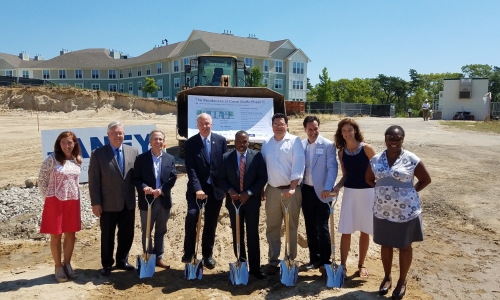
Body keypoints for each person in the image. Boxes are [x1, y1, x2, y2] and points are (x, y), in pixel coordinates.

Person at [366, 125, 431, 299]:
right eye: (390, 138)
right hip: (382, 211)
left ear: (403, 139)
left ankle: (402, 281)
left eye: (397, 138)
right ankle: (387, 277)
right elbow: (369, 178)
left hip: (406, 212)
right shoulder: (377, 159)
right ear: (385, 138)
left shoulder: (411, 159)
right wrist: (383, 190)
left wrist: (410, 192)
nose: (393, 141)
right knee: (385, 244)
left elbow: (426, 179)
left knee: (404, 246)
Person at [89, 121, 139, 276]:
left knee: (127, 234)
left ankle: (122, 260)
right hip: (108, 203)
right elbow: (94, 180)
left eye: (121, 133)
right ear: (108, 135)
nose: (118, 136)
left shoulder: (133, 151)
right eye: (115, 133)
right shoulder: (98, 153)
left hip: (128, 202)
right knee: (107, 235)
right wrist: (95, 203)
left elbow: (137, 177)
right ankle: (107, 264)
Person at [217, 130, 268, 279]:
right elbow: (220, 178)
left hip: (251, 202)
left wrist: (250, 192)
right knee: (237, 234)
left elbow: (262, 177)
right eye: (239, 141)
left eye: (244, 142)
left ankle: (255, 268)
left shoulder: (257, 156)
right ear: (234, 141)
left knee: (253, 234)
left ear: (248, 142)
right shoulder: (226, 158)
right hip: (234, 203)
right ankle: (241, 264)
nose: (242, 144)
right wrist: (230, 190)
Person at [261, 113, 305, 275]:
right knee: (272, 226)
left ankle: (289, 259)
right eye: (276, 124)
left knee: (291, 226)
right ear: (272, 126)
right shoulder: (266, 143)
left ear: (287, 125)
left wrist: (293, 187)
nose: (278, 127)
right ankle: (273, 260)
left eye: (281, 124)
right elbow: (263, 168)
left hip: (291, 190)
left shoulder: (295, 141)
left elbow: (299, 165)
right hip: (272, 190)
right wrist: (261, 188)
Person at [182, 113, 227, 269]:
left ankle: (207, 255)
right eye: (201, 123)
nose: (204, 126)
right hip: (197, 189)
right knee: (192, 216)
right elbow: (191, 168)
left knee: (210, 223)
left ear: (212, 124)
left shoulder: (220, 141)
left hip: (215, 190)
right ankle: (189, 252)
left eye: (207, 123)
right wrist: (198, 188)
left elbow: (223, 166)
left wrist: (225, 186)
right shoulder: (191, 143)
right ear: (197, 125)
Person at [332, 117, 376, 279]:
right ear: (341, 133)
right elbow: (345, 176)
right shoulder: (342, 152)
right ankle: (343, 266)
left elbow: (379, 170)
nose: (347, 133)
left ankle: (361, 265)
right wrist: (337, 187)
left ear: (355, 131)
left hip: (367, 193)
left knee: (365, 231)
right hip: (350, 193)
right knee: (346, 230)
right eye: (344, 131)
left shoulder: (367, 149)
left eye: (350, 130)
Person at [39, 131, 82, 282]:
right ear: (59, 144)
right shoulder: (52, 159)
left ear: (74, 144)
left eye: (69, 142)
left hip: (73, 201)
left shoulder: (77, 160)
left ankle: (67, 264)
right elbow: (42, 179)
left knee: (71, 234)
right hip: (55, 201)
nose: (66, 145)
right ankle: (58, 266)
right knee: (56, 235)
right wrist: (48, 198)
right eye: (63, 142)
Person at [133, 130, 177, 269]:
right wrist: (145, 187)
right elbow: (135, 178)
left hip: (163, 200)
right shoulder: (141, 158)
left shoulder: (170, 158)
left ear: (163, 142)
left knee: (161, 230)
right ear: (150, 141)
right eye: (155, 139)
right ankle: (148, 257)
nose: (158, 142)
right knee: (147, 230)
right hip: (147, 201)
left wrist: (162, 190)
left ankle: (158, 257)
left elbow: (173, 177)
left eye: (160, 139)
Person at [300, 116, 338, 272]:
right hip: (306, 190)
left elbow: (332, 168)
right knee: (310, 226)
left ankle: (325, 261)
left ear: (319, 128)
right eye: (310, 129)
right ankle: (314, 259)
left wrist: (328, 188)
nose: (313, 132)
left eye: (315, 128)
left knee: (322, 227)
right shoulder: (301, 145)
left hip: (323, 192)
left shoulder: (328, 145)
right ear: (305, 130)